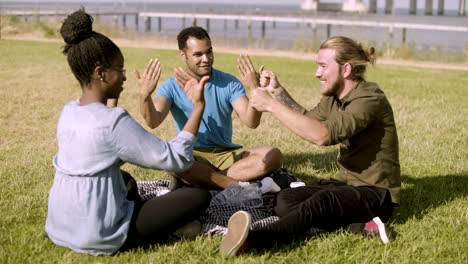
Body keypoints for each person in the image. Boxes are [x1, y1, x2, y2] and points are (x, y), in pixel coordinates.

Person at [45, 9, 212, 256]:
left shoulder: (69, 111)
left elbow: (102, 141)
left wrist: (115, 96)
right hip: (101, 235)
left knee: (125, 181)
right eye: (119, 69)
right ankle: (174, 229)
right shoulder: (113, 123)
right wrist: (198, 106)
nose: (124, 76)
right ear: (101, 73)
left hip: (60, 226)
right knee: (197, 196)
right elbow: (177, 158)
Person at [219, 36, 401, 256]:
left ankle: (255, 240)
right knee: (285, 199)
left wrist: (271, 105)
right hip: (347, 186)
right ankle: (360, 226)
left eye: (323, 66)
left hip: (375, 194)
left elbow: (322, 136)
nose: (317, 73)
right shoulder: (334, 98)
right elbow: (310, 119)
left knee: (322, 202)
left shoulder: (369, 99)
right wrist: (278, 92)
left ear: (346, 69)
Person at [139, 26, 283, 190]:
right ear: (183, 55)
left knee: (273, 155)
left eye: (209, 52)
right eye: (198, 54)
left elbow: (251, 122)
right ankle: (240, 186)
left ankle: (206, 180)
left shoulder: (229, 83)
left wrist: (255, 89)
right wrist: (145, 97)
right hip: (192, 154)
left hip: (227, 156)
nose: (206, 58)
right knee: (169, 159)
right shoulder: (170, 86)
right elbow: (153, 121)